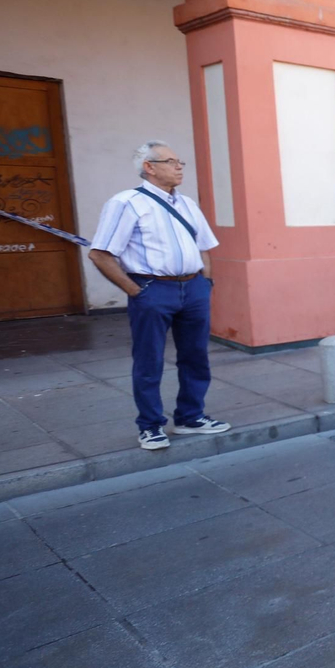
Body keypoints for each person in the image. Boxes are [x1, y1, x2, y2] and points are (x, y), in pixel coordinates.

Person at [87, 141, 230, 450]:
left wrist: (205, 283)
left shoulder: (187, 204)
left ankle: (191, 417)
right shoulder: (126, 203)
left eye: (180, 162)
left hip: (193, 288)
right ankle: (150, 426)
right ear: (148, 167)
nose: (179, 167)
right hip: (153, 289)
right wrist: (136, 291)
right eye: (170, 161)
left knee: (195, 356)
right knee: (149, 360)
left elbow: (203, 246)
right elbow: (100, 254)